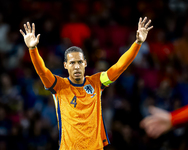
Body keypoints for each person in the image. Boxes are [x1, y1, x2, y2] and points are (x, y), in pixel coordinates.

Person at [20, 17, 153, 150]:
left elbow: (119, 67)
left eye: (79, 62)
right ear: (65, 65)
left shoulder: (97, 82)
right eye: (72, 63)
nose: (76, 67)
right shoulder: (58, 85)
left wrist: (138, 42)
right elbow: (43, 72)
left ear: (85, 63)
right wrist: (33, 49)